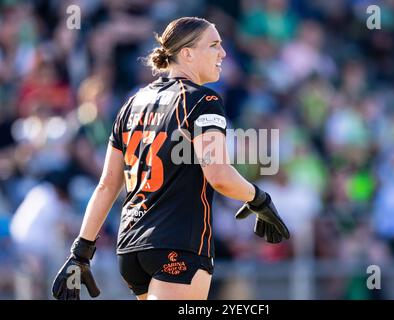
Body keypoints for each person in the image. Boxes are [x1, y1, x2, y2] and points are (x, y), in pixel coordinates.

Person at [52, 17, 290, 300]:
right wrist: (259, 199)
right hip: (178, 244)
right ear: (187, 53)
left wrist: (82, 251)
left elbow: (107, 184)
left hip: (131, 248)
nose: (223, 54)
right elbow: (219, 176)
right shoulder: (204, 100)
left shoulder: (132, 103)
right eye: (214, 45)